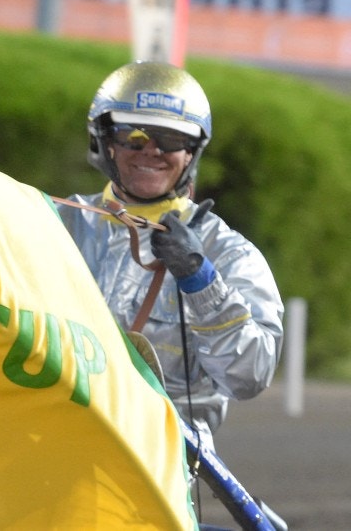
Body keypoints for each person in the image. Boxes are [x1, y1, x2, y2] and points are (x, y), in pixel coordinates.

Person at [58, 60, 284, 451]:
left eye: (171, 139)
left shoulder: (230, 255)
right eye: (134, 136)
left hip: (160, 462)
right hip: (52, 445)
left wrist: (202, 283)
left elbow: (249, 377)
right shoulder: (54, 223)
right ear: (104, 141)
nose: (152, 150)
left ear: (192, 153)